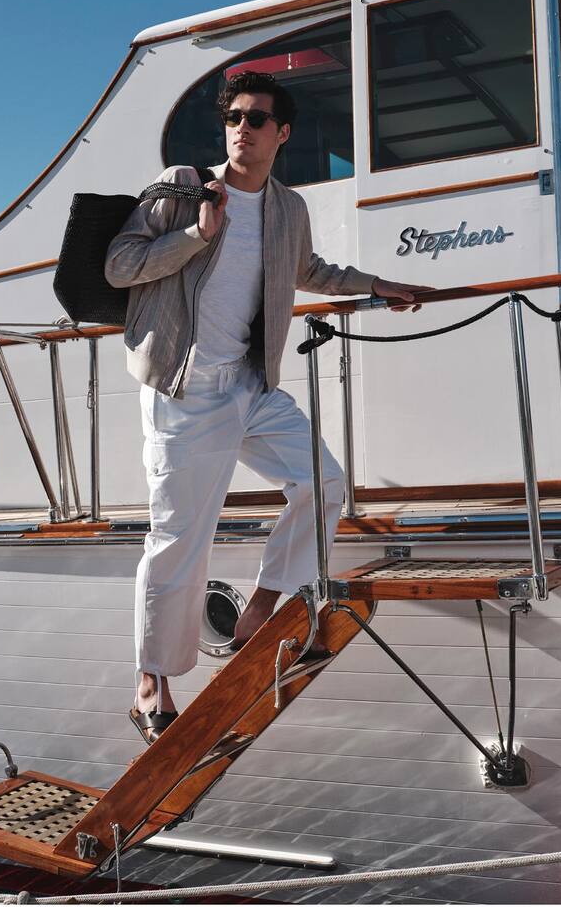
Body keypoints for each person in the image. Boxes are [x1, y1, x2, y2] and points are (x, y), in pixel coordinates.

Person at [106, 71, 424, 744]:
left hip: (252, 386)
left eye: (257, 119)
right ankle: (151, 686)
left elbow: (308, 270)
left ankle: (262, 605)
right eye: (235, 118)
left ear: (281, 133)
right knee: (179, 540)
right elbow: (120, 266)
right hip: (185, 390)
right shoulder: (183, 186)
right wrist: (195, 233)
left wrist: (378, 285)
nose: (243, 129)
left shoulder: (288, 207)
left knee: (325, 482)